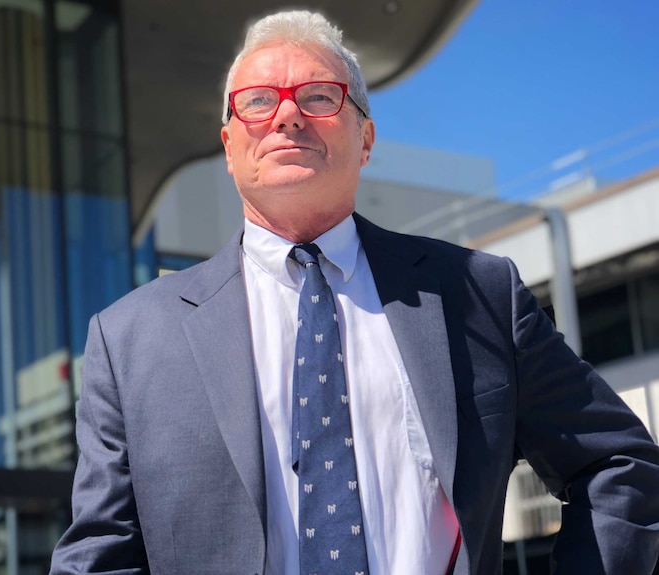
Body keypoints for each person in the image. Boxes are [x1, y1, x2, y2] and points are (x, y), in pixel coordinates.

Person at [51, 10, 659, 575]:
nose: (287, 116)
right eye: (258, 102)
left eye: (319, 97)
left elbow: (618, 462)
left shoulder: (478, 293)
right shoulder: (130, 338)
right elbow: (100, 554)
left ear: (365, 139)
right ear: (229, 148)